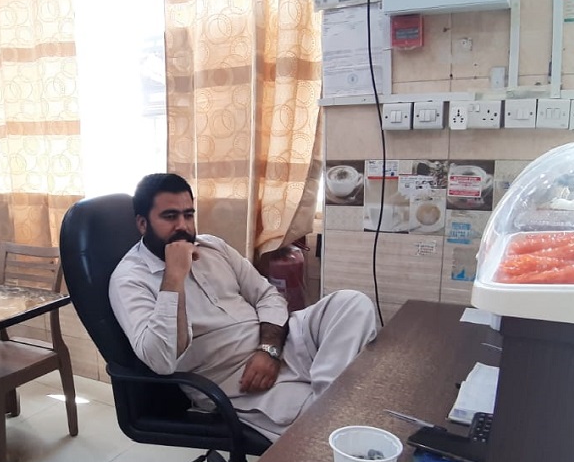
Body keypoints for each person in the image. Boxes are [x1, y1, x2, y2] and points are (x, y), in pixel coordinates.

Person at [109, 173, 378, 441]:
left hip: (279, 342)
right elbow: (160, 360)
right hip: (237, 379)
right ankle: (332, 416)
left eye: (188, 215)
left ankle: (330, 405)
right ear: (143, 224)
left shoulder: (213, 246)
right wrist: (174, 277)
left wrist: (269, 350)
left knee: (352, 303)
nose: (183, 226)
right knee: (317, 422)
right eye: (170, 217)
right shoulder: (129, 280)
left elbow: (267, 295)